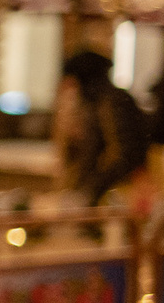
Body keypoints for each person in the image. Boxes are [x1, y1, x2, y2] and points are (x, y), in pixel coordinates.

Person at [52, 47, 150, 203]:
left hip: (119, 195)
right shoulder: (100, 102)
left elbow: (123, 156)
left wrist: (90, 191)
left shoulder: (111, 102)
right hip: (105, 193)